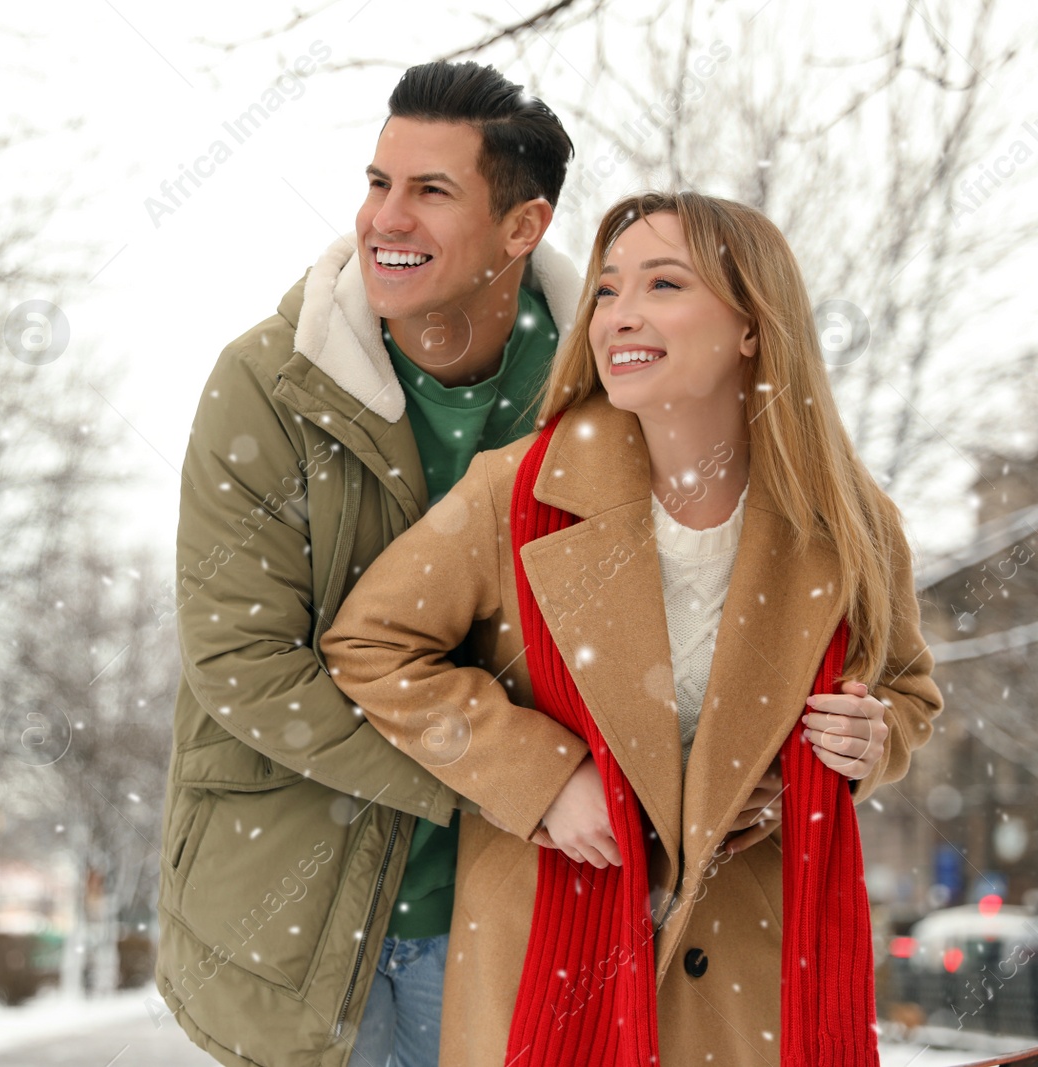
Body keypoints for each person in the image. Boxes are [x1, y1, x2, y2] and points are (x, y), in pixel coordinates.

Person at [320, 191, 943, 1066]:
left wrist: (870, 740)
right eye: (608, 290)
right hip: (545, 970)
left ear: (752, 327)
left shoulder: (848, 520)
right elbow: (369, 645)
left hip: (753, 986)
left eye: (663, 283)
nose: (621, 314)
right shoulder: (519, 491)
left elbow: (907, 690)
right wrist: (540, 778)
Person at [154, 61, 584, 1067]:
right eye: (377, 181)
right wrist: (510, 775)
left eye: (430, 191)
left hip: (521, 912)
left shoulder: (599, 398)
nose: (384, 217)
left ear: (521, 228)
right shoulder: (269, 383)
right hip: (295, 913)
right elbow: (244, 662)